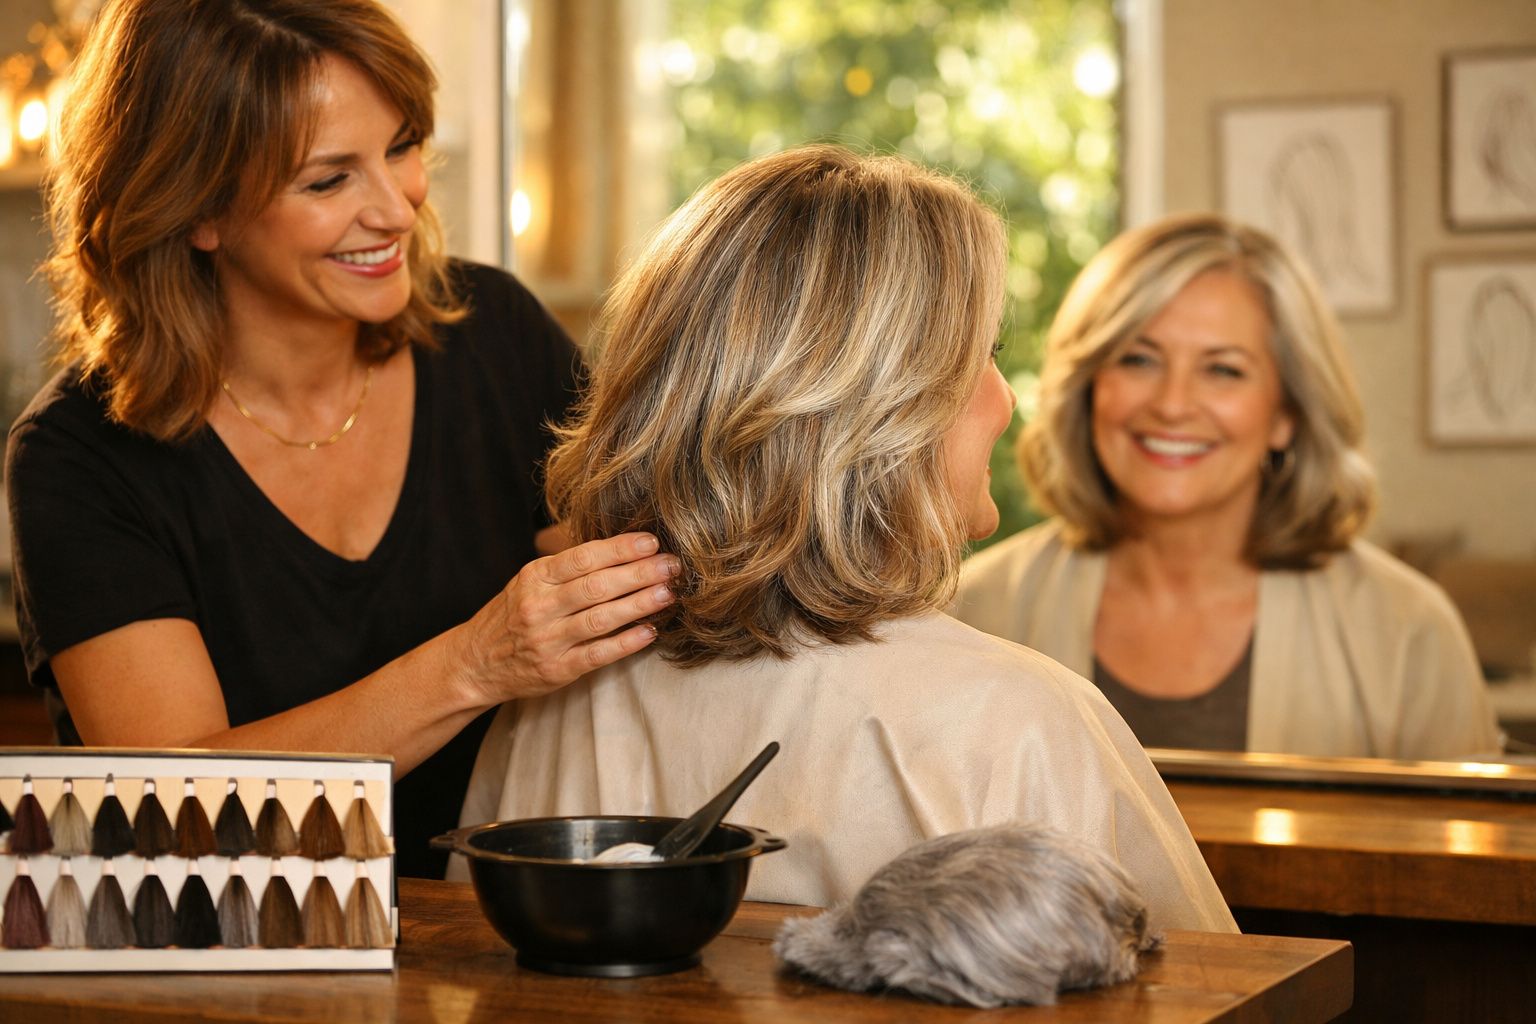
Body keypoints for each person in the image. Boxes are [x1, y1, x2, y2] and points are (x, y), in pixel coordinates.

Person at [460, 146, 1235, 932]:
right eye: (985, 356)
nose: (1004, 400)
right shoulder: (1015, 724)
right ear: (889, 413)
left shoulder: (549, 698)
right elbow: (1212, 994)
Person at [6, 0, 677, 876]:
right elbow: (173, 808)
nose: (397, 209)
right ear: (197, 209)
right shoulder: (79, 458)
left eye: (401, 148)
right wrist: (476, 663)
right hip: (239, 967)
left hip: (500, 929)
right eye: (329, 181)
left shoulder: (495, 334)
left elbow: (633, 603)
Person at [953, 213, 1501, 760]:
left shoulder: (1409, 632)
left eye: (1223, 370)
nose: (1171, 404)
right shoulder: (973, 610)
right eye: (1138, 359)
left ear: (1286, 411)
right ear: (1090, 388)